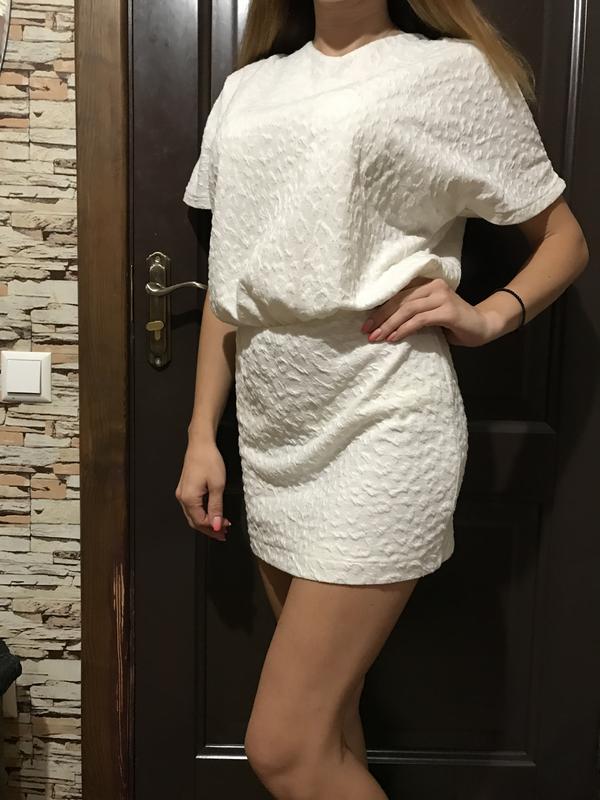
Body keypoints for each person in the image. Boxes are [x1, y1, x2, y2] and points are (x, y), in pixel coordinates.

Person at [175, 1, 589, 797]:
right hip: (274, 431)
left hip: (383, 420)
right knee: (328, 726)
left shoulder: (452, 73)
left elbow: (564, 239)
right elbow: (231, 285)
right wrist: (202, 434)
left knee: (283, 750)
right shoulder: (248, 90)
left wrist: (488, 316)